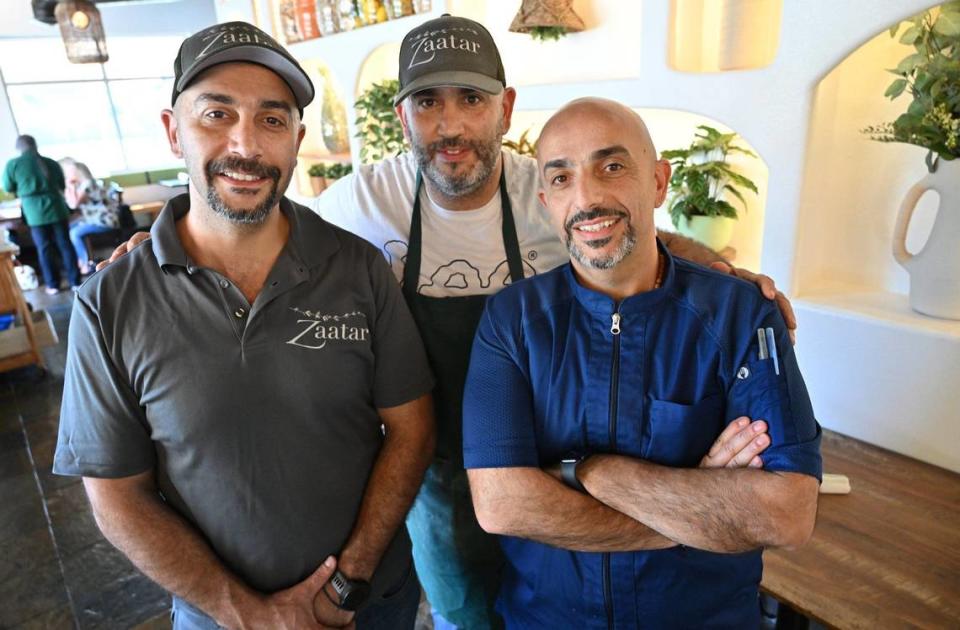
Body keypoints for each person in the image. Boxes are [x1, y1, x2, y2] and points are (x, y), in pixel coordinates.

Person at [103, 15, 792, 629]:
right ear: (401, 114)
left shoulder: (549, 183)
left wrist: (727, 272)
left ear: (504, 107)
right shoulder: (361, 202)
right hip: (433, 470)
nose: (451, 125)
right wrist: (165, 234)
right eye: (428, 102)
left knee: (555, 595)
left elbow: (631, 230)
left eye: (472, 99)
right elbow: (251, 206)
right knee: (464, 608)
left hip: (551, 456)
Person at [53, 21, 435, 630]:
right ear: (173, 130)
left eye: (272, 120)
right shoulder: (110, 303)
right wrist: (251, 614)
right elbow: (117, 497)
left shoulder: (358, 267)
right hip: (216, 617)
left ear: (297, 138)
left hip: (368, 602)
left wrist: (344, 583)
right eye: (216, 114)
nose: (246, 145)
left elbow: (412, 430)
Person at [462, 98, 822, 628]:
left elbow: (787, 513)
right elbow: (500, 505)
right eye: (562, 179)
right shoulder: (512, 320)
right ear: (545, 201)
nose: (587, 198)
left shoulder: (741, 314)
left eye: (612, 167)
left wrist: (590, 472)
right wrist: (699, 505)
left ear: (657, 182)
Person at [2, 134, 81, 294]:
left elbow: (8, 187)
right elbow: (60, 185)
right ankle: (76, 281)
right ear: (35, 145)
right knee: (65, 245)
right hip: (57, 207)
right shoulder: (51, 162)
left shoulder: (14, 164)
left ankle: (53, 285)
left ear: (19, 148)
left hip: (34, 212)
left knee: (44, 248)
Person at [62, 159, 121, 274]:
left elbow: (73, 204)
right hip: (96, 219)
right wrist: (70, 187)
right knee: (71, 226)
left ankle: (84, 263)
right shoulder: (85, 184)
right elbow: (71, 203)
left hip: (105, 220)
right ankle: (85, 257)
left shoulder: (88, 184)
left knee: (74, 233)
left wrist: (70, 186)